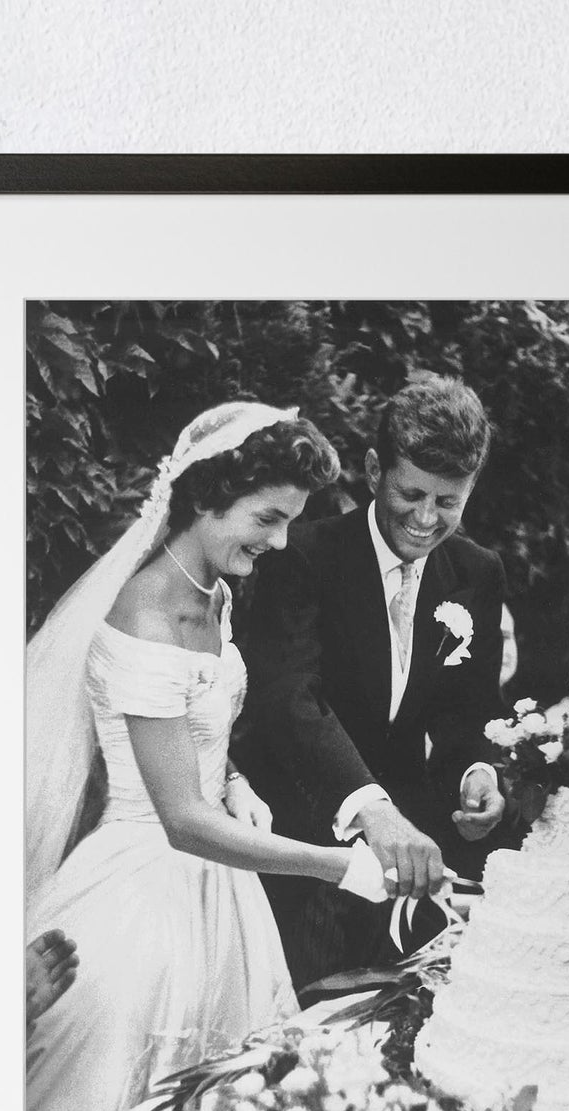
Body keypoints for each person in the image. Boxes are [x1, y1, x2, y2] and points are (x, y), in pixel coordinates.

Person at [23, 402, 387, 1111]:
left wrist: (234, 783)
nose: (280, 541)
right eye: (266, 517)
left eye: (290, 520)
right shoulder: (144, 615)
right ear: (205, 499)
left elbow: (196, 742)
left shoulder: (214, 594)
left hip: (218, 886)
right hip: (141, 890)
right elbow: (181, 822)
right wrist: (335, 865)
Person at [237, 377, 508, 994]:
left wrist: (478, 776)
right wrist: (372, 809)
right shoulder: (301, 555)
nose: (425, 518)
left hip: (412, 864)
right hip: (303, 853)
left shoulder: (477, 572)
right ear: (372, 471)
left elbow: (470, 714)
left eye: (448, 501)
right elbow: (288, 699)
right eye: (411, 493)